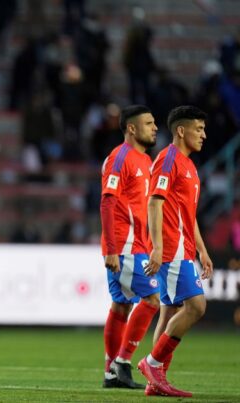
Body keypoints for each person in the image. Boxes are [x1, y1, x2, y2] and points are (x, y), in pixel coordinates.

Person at [137, 106, 213, 397]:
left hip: (184, 248)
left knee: (169, 312)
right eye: (199, 129)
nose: (204, 135)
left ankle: (155, 380)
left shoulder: (189, 165)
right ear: (181, 130)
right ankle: (153, 363)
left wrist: (202, 251)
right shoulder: (168, 160)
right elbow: (154, 202)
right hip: (170, 248)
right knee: (196, 306)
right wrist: (156, 247)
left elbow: (188, 214)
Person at [98, 105, 160, 390]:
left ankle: (111, 372)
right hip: (124, 246)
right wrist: (111, 248)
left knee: (121, 306)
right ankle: (122, 362)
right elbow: (108, 201)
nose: (155, 127)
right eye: (149, 123)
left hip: (137, 245)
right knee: (151, 300)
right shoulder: (120, 158)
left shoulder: (146, 160)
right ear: (132, 128)